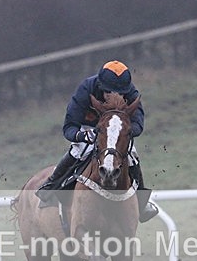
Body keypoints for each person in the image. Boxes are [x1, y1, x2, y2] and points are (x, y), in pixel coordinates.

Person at [35, 60, 158, 222]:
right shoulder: (86, 89)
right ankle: (51, 185)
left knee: (131, 154)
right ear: (100, 87)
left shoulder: (132, 93)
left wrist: (121, 133)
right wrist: (82, 136)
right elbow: (69, 127)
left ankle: (142, 203)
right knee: (79, 150)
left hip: (117, 130)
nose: (115, 96)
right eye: (109, 92)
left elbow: (138, 125)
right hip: (90, 129)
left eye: (120, 93)